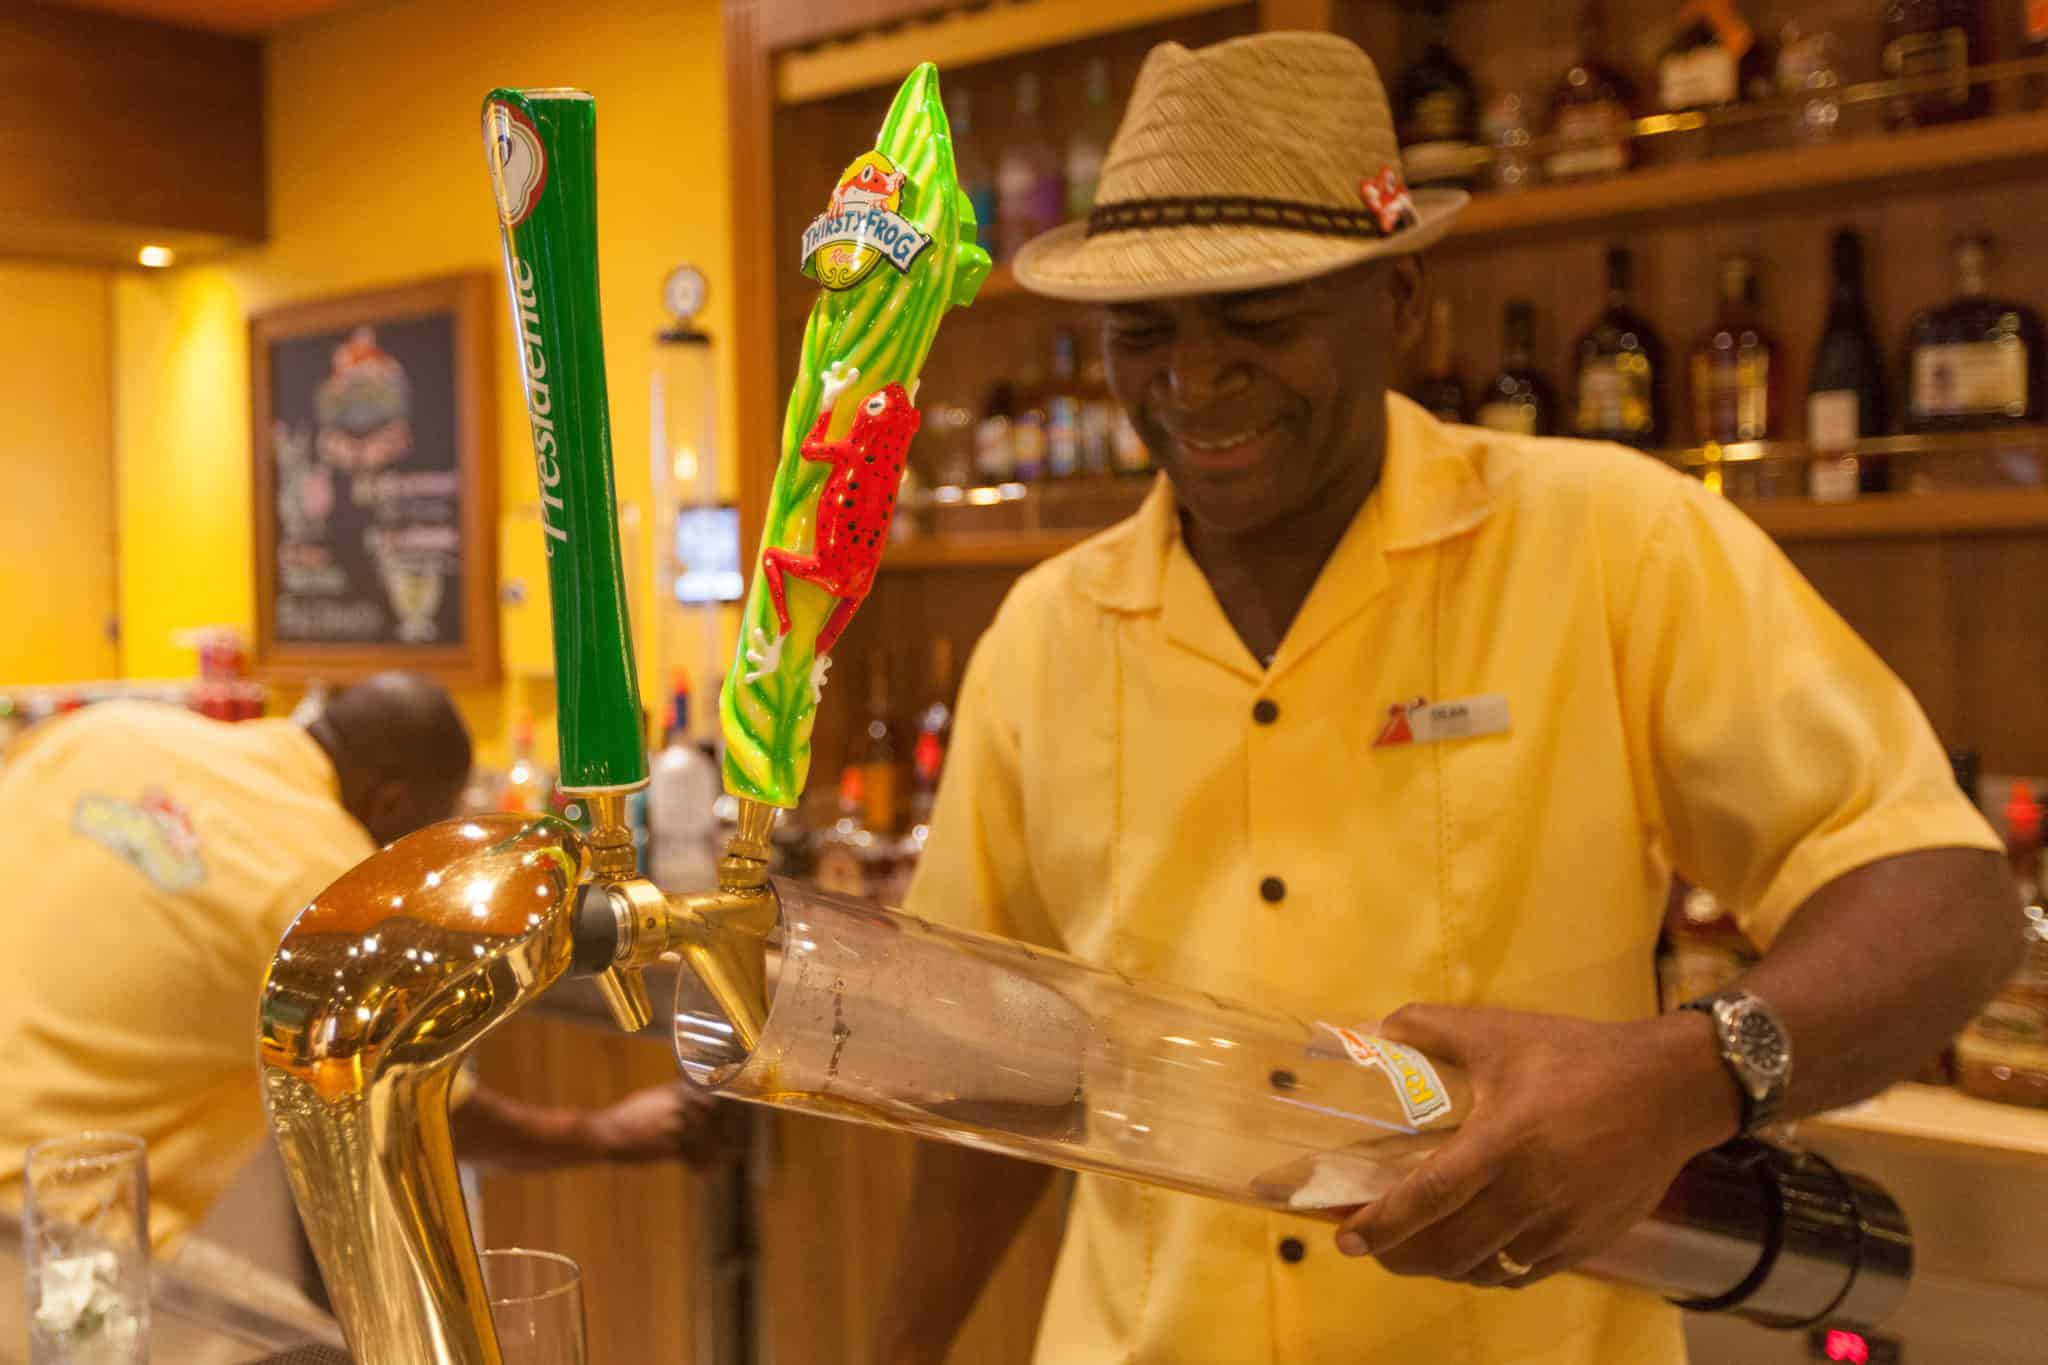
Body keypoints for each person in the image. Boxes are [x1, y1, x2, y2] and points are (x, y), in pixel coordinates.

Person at [871, 33, 2022, 1365]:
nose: (1195, 378)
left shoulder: (1611, 544)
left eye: (1262, 318)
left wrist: (1682, 1076)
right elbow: (996, 1081)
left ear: (1402, 302)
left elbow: (1943, 894)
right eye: (1145, 332)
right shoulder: (1044, 633)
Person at [0, 672, 732, 1252]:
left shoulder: (112, 732)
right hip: (44, 1234)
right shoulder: (331, 888)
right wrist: (607, 1133)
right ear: (391, 802)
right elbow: (429, 1117)